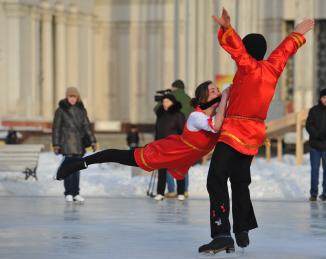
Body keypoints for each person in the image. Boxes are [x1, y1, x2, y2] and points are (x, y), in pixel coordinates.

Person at [198, 8, 314, 254]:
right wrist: (297, 34)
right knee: (240, 181)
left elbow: (236, 49)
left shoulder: (248, 67)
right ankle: (242, 229)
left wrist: (227, 29)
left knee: (216, 177)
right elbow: (283, 51)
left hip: (234, 131)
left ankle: (221, 233)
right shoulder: (272, 69)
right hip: (254, 135)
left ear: (248, 52)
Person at [55, 81, 230, 200]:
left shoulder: (216, 116)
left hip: (175, 157)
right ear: (203, 98)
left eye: (218, 90)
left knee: (117, 155)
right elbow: (215, 126)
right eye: (213, 90)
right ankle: (78, 163)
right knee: (116, 155)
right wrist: (226, 95)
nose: (218, 92)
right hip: (161, 152)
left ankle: (76, 162)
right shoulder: (196, 117)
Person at [52, 87, 97, 203]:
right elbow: (56, 128)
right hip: (66, 143)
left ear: (77, 98)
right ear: (67, 97)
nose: (72, 99)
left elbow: (87, 126)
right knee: (68, 169)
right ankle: (68, 193)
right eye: (70, 96)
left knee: (77, 169)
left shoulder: (81, 110)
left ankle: (76, 193)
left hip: (79, 144)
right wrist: (56, 144)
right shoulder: (61, 110)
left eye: (74, 97)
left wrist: (93, 141)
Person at [153, 93, 185, 200]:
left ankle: (181, 192)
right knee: (161, 170)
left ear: (173, 102)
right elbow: (157, 131)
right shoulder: (160, 115)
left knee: (178, 169)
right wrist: (155, 144)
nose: (164, 104)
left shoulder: (178, 115)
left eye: (167, 101)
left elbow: (183, 131)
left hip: (174, 147)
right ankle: (160, 193)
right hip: (161, 146)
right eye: (163, 102)